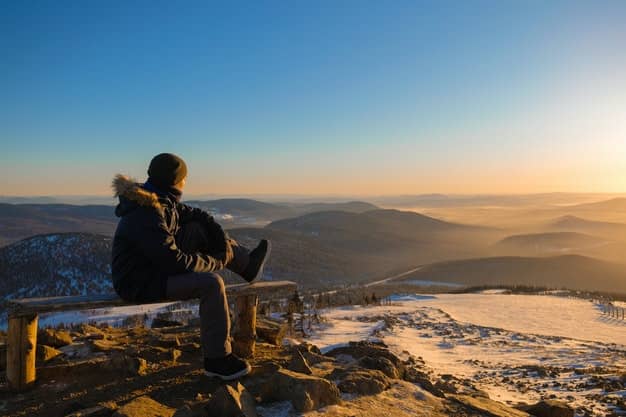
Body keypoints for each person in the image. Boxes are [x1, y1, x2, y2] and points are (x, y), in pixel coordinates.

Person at [110, 152, 270, 380]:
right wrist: (216, 262)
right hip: (138, 281)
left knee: (200, 230)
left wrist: (217, 235)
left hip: (152, 267)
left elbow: (192, 214)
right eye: (184, 178)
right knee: (212, 284)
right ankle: (217, 360)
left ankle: (248, 265)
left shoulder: (159, 198)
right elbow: (175, 263)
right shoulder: (147, 211)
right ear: (176, 180)